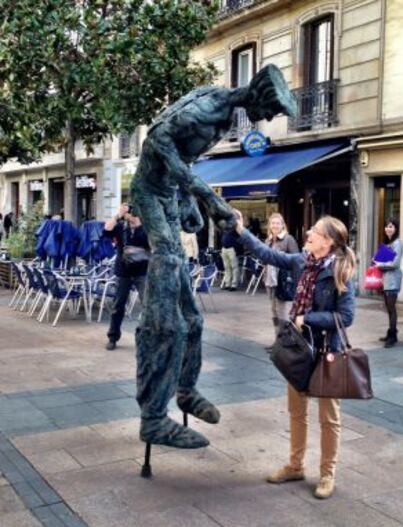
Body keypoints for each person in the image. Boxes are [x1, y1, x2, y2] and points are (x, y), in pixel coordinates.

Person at [130, 63, 297, 449]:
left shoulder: (224, 115)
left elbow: (182, 161)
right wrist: (207, 199)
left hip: (169, 195)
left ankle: (185, 389)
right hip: (151, 194)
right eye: (271, 109)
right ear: (257, 97)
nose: (269, 118)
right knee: (166, 315)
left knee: (193, 319)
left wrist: (188, 197)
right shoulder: (207, 108)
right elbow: (156, 141)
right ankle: (153, 417)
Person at [235, 212, 356, 500]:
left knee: (329, 419)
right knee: (296, 411)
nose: (308, 234)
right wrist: (241, 231)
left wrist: (308, 318)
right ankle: (295, 465)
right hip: (299, 351)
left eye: (314, 231)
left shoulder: (341, 270)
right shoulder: (302, 261)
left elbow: (346, 316)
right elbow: (268, 254)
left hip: (328, 352)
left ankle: (327, 474)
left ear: (327, 241)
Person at [103, 203, 150, 351]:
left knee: (148, 306)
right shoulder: (121, 227)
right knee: (118, 306)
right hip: (123, 272)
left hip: (142, 271)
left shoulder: (148, 229)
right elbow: (107, 229)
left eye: (132, 214)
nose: (130, 217)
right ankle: (112, 337)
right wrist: (118, 215)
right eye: (128, 214)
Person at [264, 213, 298, 351]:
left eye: (278, 223)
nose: (275, 226)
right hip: (269, 280)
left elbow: (296, 259)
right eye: (273, 223)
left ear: (283, 225)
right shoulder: (268, 240)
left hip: (282, 281)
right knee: (274, 312)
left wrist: (280, 257)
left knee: (282, 313)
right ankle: (278, 340)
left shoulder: (288, 239)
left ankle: (285, 342)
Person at [374, 217, 403, 348]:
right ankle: (391, 332)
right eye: (386, 226)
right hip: (386, 279)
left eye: (391, 226)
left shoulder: (398, 243)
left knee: (391, 308)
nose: (388, 229)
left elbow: (395, 263)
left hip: (393, 280)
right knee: (389, 308)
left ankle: (392, 336)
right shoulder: (388, 243)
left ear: (396, 228)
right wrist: (375, 260)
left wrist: (379, 264)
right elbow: (382, 260)